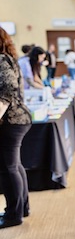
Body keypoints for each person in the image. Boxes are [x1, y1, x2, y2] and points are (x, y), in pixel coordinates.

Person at [0, 27, 32, 228]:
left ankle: (13, 214)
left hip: (11, 120)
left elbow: (8, 89)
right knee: (15, 166)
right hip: (18, 118)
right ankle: (22, 208)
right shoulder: (9, 58)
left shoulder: (1, 60)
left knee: (8, 168)